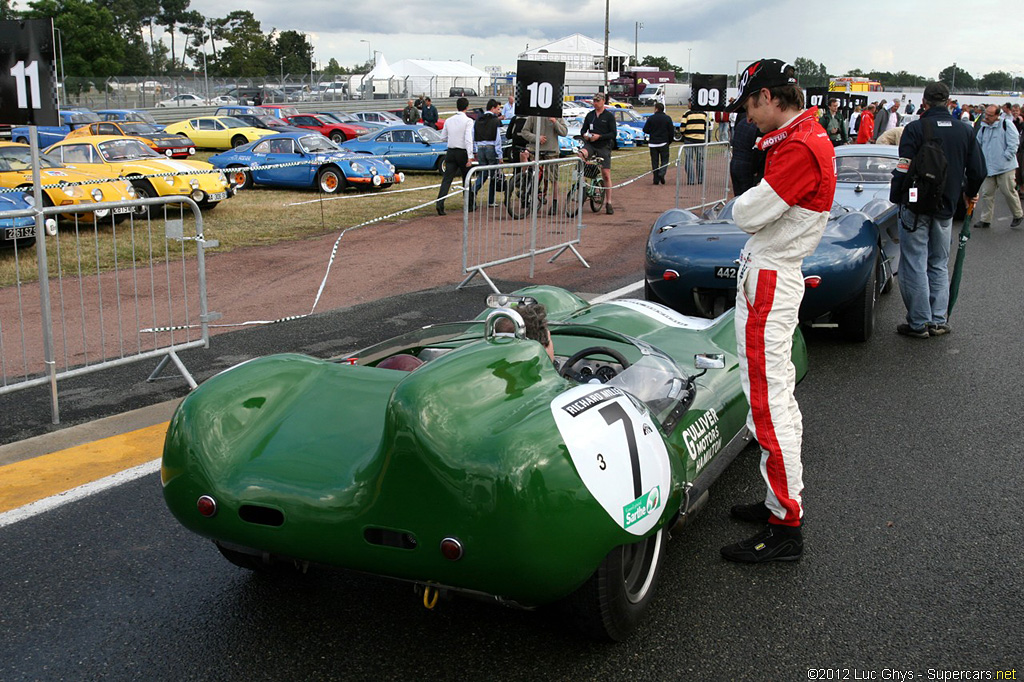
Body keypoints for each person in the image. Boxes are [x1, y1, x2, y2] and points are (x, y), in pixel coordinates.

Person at [720, 59, 836, 564]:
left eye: (749, 104)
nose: (747, 117)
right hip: (769, 274)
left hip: (772, 277)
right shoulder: (801, 135)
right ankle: (777, 503)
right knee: (771, 396)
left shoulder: (801, 144)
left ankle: (787, 523)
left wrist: (746, 182)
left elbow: (746, 213)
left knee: (769, 403)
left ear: (768, 96)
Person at [889, 82, 986, 338]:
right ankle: (938, 319)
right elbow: (978, 170)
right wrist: (968, 192)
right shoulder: (965, 130)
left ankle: (918, 322)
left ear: (925, 101)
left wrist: (896, 195)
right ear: (948, 101)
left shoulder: (915, 128)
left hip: (915, 204)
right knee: (939, 262)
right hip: (946, 207)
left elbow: (903, 166)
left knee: (914, 261)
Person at [974, 104, 1023, 229]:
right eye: (986, 114)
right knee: (986, 194)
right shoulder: (983, 128)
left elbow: (1014, 143)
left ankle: (1018, 214)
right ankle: (985, 219)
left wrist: (1006, 157)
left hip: (1005, 167)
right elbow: (978, 143)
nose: (987, 117)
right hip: (988, 167)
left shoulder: (1006, 124)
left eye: (990, 115)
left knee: (1008, 192)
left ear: (997, 115)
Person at [520, 113, 569, 214]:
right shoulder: (533, 115)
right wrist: (536, 137)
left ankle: (554, 203)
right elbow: (524, 132)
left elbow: (564, 132)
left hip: (551, 151)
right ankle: (524, 185)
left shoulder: (557, 116)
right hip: (535, 149)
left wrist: (555, 122)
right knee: (526, 159)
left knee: (553, 178)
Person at [578, 92, 617, 215]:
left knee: (606, 174)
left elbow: (613, 134)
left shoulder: (609, 116)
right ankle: (583, 184)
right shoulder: (590, 115)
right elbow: (583, 130)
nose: (595, 103)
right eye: (594, 101)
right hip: (590, 145)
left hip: (604, 146)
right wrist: (586, 135)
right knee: (580, 154)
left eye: (598, 101)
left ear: (603, 101)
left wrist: (599, 137)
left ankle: (609, 202)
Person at [435, 97, 475, 216]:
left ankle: (440, 204)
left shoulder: (449, 120)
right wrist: (470, 155)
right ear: (467, 107)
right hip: (462, 152)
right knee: (466, 179)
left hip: (451, 152)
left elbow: (442, 137)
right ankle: (470, 204)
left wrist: (453, 137)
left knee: (447, 179)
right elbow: (468, 139)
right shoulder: (468, 121)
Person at [472, 99, 505, 209]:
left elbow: (473, 134)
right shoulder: (495, 121)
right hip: (491, 148)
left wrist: (475, 149)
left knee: (482, 174)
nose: (499, 111)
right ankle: (491, 200)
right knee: (494, 175)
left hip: (480, 148)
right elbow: (498, 139)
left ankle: (473, 190)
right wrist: (500, 156)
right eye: (498, 108)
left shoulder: (478, 119)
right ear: (493, 108)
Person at [729, 115, 765, 197]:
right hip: (746, 164)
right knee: (746, 195)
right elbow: (757, 151)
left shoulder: (741, 123)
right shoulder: (756, 126)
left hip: (735, 162)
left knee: (738, 194)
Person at [642, 102, 674, 185]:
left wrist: (652, 131)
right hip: (664, 142)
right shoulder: (667, 118)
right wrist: (669, 141)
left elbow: (645, 129)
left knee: (654, 161)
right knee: (665, 160)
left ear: (656, 109)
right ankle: (662, 173)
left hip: (653, 143)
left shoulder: (651, 118)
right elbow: (671, 131)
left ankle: (656, 179)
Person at [681, 106, 709, 185]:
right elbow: (708, 126)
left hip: (689, 139)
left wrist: (685, 134)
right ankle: (700, 179)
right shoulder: (704, 114)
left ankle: (691, 180)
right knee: (700, 160)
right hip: (700, 139)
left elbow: (682, 128)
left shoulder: (687, 114)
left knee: (689, 160)